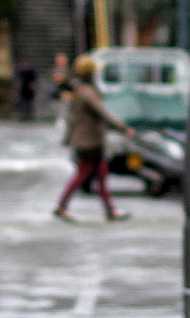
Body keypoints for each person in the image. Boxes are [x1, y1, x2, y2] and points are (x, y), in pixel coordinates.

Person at [53, 54, 137, 223]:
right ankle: (62, 206)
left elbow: (72, 119)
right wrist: (123, 127)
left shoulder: (79, 91)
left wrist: (68, 138)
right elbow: (103, 113)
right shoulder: (86, 93)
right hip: (89, 143)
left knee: (101, 176)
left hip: (90, 141)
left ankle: (110, 210)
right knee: (83, 175)